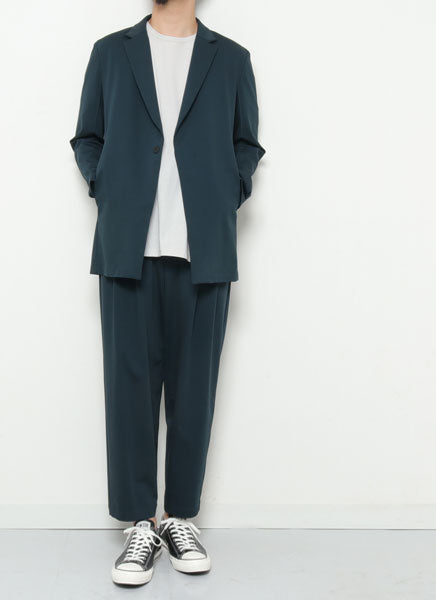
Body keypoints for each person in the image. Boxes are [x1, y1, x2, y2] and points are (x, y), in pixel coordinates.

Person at [70, 0, 265, 586]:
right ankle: (140, 524)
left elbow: (247, 143)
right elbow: (88, 137)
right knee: (128, 390)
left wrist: (228, 188)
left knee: (194, 391)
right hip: (127, 248)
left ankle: (180, 518)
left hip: (203, 250)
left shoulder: (232, 59)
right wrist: (107, 184)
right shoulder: (111, 53)